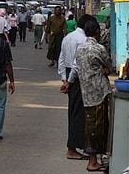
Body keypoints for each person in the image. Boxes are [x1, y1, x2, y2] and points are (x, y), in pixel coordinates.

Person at [66, 15, 111, 172]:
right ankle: (93, 161)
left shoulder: (81, 49)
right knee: (99, 127)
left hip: (86, 93)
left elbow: (76, 69)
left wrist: (68, 83)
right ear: (97, 32)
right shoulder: (99, 48)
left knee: (91, 127)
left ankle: (95, 159)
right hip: (100, 92)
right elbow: (109, 66)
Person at [58, 14, 88, 160]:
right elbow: (77, 64)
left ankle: (76, 145)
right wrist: (69, 81)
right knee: (78, 113)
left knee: (74, 111)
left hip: (70, 75)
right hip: (77, 76)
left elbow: (61, 59)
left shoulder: (68, 37)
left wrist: (64, 79)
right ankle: (72, 148)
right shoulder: (83, 40)